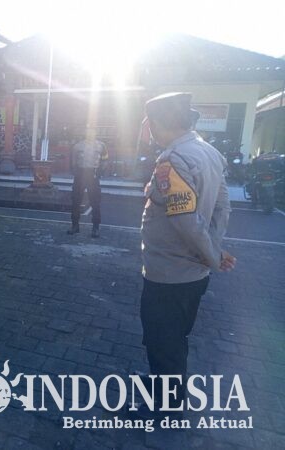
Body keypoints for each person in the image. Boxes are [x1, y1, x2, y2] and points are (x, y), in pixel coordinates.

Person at [133, 92, 236, 419]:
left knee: (163, 338)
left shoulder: (173, 160)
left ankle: (166, 406)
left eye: (148, 122)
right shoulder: (209, 152)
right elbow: (222, 206)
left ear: (156, 123)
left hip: (170, 272)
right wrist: (213, 249)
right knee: (175, 334)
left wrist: (213, 256)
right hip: (192, 273)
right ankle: (162, 385)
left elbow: (186, 220)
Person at [68, 130, 107, 237]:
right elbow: (73, 161)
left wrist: (100, 171)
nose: (90, 133)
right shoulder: (77, 146)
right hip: (80, 174)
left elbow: (105, 160)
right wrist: (75, 172)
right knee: (76, 201)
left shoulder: (102, 145)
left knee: (95, 202)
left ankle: (95, 228)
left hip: (93, 175)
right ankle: (75, 226)